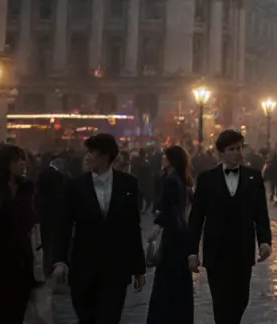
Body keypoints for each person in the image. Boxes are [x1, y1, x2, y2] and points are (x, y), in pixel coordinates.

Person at [52, 133, 146, 324]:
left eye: (91, 152)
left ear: (105, 156)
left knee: (109, 318)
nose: (86, 157)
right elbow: (64, 225)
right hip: (83, 267)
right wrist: (60, 260)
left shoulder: (128, 184)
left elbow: (132, 227)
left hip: (115, 269)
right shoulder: (75, 186)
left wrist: (138, 268)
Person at [187, 130, 273, 324]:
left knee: (241, 300)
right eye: (232, 149)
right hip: (216, 252)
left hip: (243, 250)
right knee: (221, 303)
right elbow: (196, 217)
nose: (237, 152)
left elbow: (260, 213)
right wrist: (192, 252)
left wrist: (265, 241)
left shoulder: (253, 177)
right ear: (221, 152)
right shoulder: (207, 179)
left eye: (240, 148)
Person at [0, 145, 38, 324]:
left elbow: (32, 221)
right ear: (5, 164)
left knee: (15, 314)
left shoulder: (28, 189)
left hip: (21, 264)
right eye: (17, 160)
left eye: (23, 159)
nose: (22, 164)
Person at [147, 146, 194, 324]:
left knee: (167, 280)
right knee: (178, 281)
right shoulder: (182, 180)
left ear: (171, 160)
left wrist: (157, 228)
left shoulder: (171, 181)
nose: (162, 159)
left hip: (172, 236)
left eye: (165, 156)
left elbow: (166, 209)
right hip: (181, 235)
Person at [36, 156, 68, 276]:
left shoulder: (42, 174)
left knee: (46, 242)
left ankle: (46, 267)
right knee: (52, 241)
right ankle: (50, 266)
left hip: (45, 213)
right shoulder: (60, 176)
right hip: (55, 213)